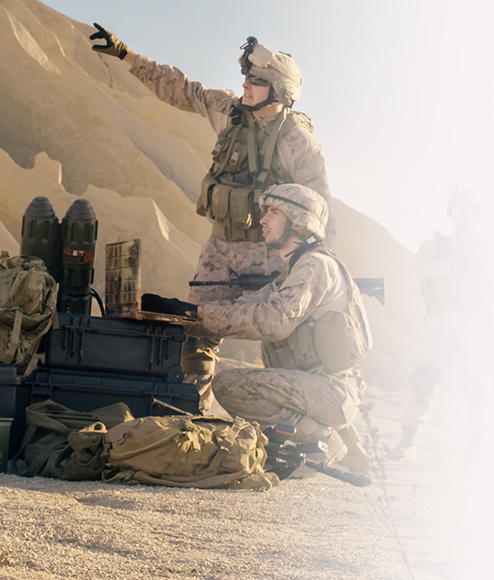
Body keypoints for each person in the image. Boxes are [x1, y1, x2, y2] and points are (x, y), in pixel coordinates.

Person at [89, 24, 335, 412]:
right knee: (196, 334)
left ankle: (294, 423)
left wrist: (311, 268)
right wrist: (127, 55)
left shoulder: (298, 144)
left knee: (284, 342)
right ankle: (190, 413)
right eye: (245, 77)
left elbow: (321, 210)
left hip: (270, 256)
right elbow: (184, 90)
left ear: (280, 91)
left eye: (255, 80)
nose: (245, 85)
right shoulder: (230, 112)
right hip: (220, 248)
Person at [142, 184, 371, 474]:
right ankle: (326, 439)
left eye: (274, 212)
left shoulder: (314, 265)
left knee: (229, 386)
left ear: (299, 222)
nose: (262, 220)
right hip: (318, 389)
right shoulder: (294, 270)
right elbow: (248, 305)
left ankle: (325, 439)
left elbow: (272, 320)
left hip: (328, 390)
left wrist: (197, 312)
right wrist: (184, 312)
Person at [389, 188, 494, 461]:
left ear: (478, 214)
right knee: (421, 381)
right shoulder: (433, 245)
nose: (463, 214)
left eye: (469, 209)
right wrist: (458, 266)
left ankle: (476, 448)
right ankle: (407, 441)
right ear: (451, 212)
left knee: (477, 387)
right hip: (440, 321)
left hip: (475, 322)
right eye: (458, 208)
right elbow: (423, 267)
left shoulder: (488, 248)